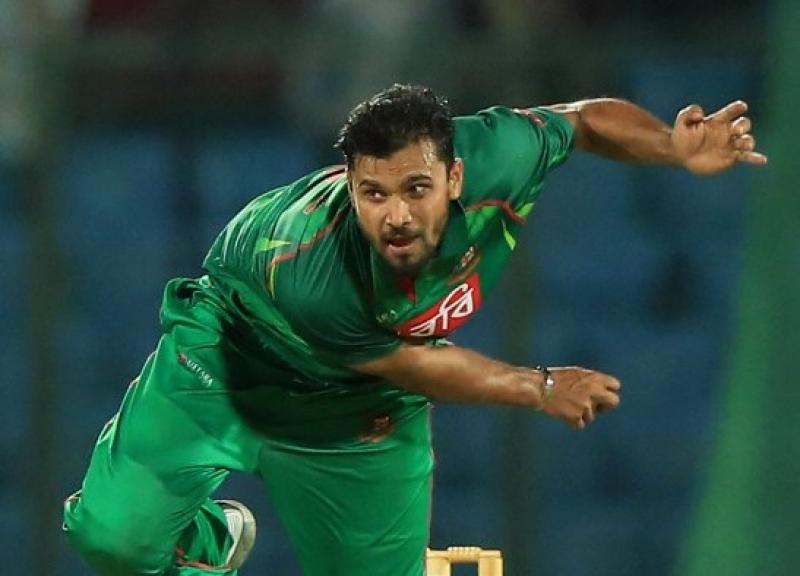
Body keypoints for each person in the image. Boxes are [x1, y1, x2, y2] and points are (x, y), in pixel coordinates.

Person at [62, 84, 767, 575]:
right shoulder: (315, 270)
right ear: (350, 186)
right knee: (111, 538)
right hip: (233, 352)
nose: (395, 216)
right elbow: (411, 365)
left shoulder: (499, 155)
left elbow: (580, 121)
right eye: (373, 193)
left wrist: (671, 148)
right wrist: (540, 386)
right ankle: (208, 543)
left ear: (455, 176)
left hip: (355, 409)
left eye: (415, 190)